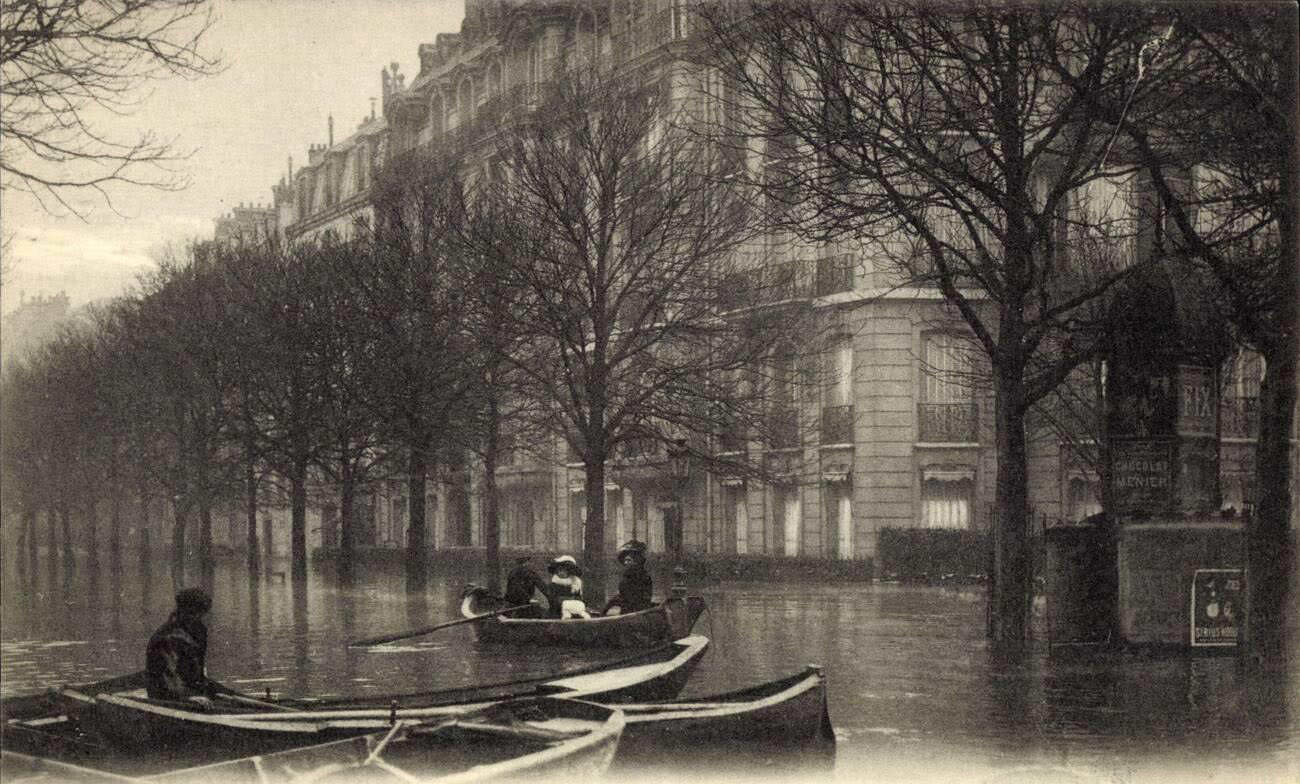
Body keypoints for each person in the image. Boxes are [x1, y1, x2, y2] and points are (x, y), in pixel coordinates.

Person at [146, 588, 218, 704]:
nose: (198, 617)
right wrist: (188, 698)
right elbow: (167, 677)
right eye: (194, 613)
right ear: (183, 610)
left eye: (201, 614)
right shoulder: (167, 637)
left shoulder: (198, 629)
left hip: (192, 691)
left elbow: (197, 669)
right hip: (168, 696)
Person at [603, 540, 654, 615]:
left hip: (637, 613)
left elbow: (644, 599)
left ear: (636, 561)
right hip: (626, 612)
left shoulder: (644, 577)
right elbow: (620, 596)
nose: (625, 563)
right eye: (625, 560)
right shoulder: (627, 576)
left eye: (628, 560)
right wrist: (606, 609)